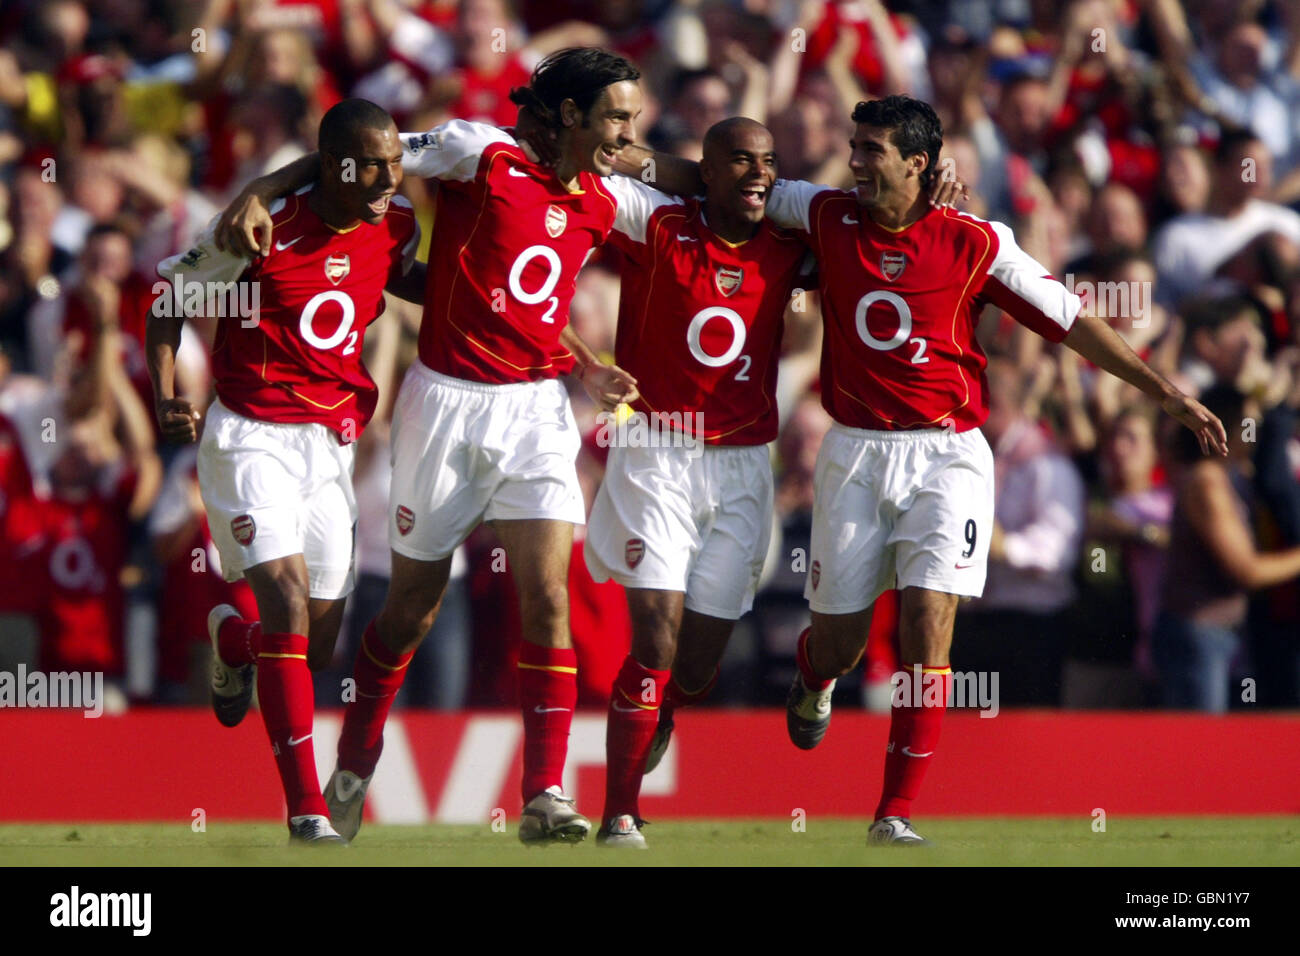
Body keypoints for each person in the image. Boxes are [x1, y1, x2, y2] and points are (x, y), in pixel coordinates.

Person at [624, 94, 1227, 845]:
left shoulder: (977, 240)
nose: (855, 161)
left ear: (918, 163)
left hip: (949, 452)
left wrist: (1167, 393)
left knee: (928, 622)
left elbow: (1073, 321)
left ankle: (894, 815)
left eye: (872, 149)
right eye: (854, 145)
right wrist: (605, 151)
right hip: (856, 451)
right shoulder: (824, 213)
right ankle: (817, 677)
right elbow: (712, 180)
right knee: (841, 641)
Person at [216, 48, 648, 845]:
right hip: (445, 406)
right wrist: (258, 189)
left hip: (537, 412)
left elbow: (705, 193)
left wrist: (588, 367)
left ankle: (544, 792)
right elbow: (353, 157)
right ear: (568, 116)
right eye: (617, 116)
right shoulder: (476, 151)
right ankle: (357, 757)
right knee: (411, 610)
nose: (630, 131)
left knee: (548, 594)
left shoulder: (609, 195)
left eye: (633, 117)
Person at [147, 98, 422, 845]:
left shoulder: (394, 225)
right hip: (248, 434)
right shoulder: (259, 232)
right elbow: (169, 304)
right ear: (334, 164)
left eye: (395, 163)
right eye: (373, 164)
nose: (389, 178)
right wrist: (166, 393)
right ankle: (306, 811)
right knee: (290, 606)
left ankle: (232, 642)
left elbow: (410, 280)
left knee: (314, 643)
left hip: (327, 447)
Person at [582, 116, 811, 847]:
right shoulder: (655, 223)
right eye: (739, 161)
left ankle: (666, 709)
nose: (757, 175)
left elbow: (880, 229)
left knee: (699, 659)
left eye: (768, 164)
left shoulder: (790, 244)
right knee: (654, 631)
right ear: (703, 170)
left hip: (744, 464)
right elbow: (584, 176)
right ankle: (620, 812)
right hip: (655, 446)